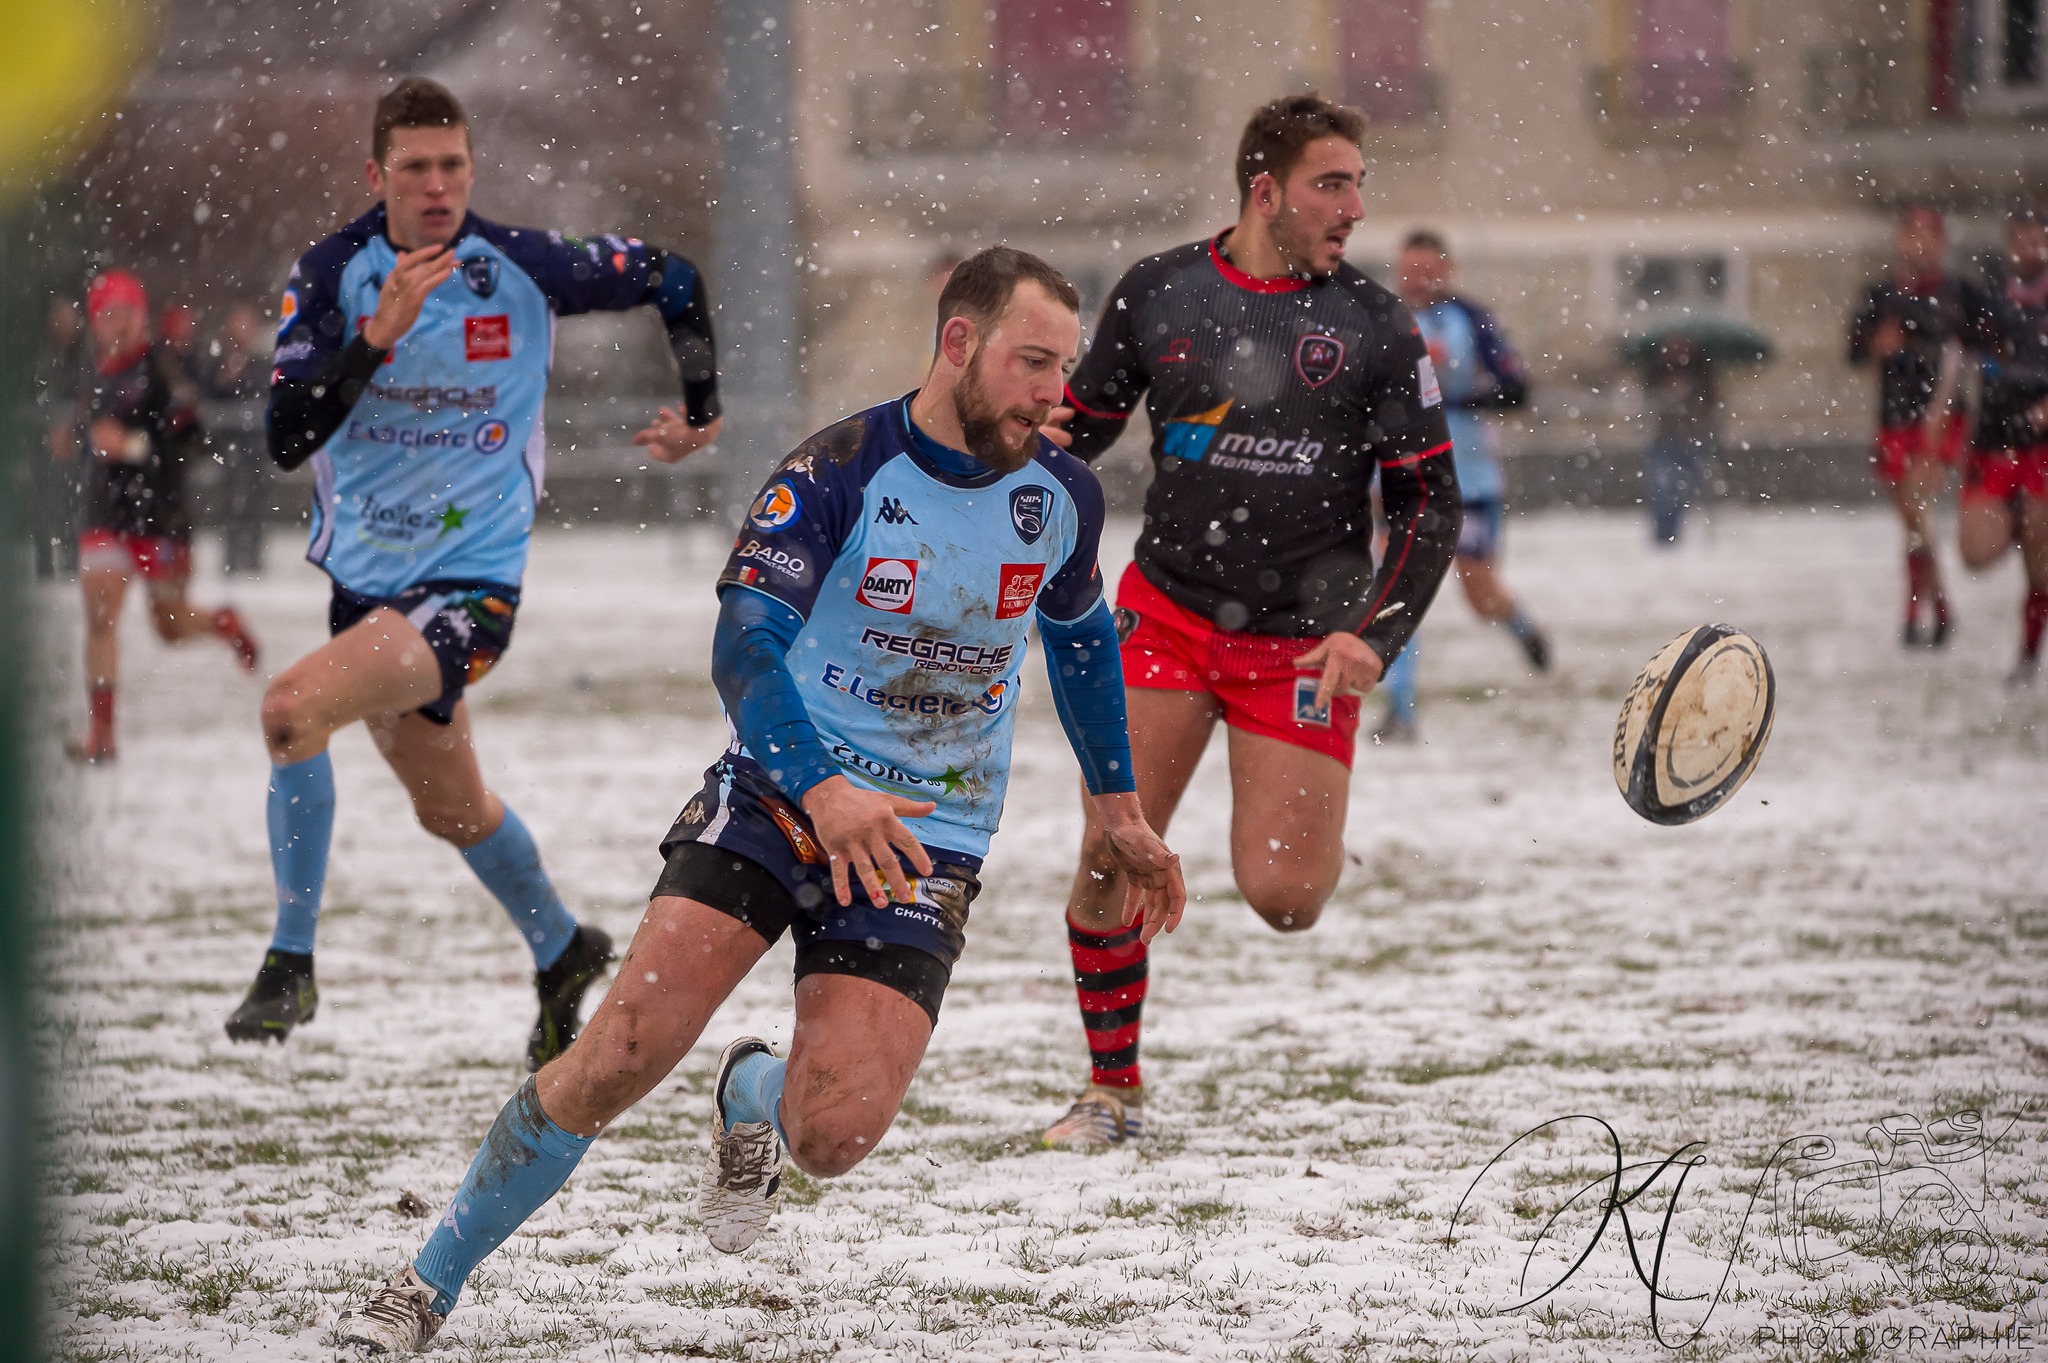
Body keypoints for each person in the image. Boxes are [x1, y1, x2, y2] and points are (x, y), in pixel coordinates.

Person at [326, 246, 1185, 1355]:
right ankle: (423, 1282)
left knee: (831, 1136)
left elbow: (1078, 646)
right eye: (1031, 362)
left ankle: (754, 1093)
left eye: (1062, 367)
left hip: (930, 837)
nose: (1052, 394)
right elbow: (743, 647)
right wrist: (824, 790)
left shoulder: (1057, 492)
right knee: (621, 1052)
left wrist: (1117, 811)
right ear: (957, 343)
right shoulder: (837, 470)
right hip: (779, 797)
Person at [227, 78, 723, 1070]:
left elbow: (673, 278)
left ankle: (290, 960)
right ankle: (562, 948)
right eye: (415, 167)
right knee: (450, 808)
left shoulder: (522, 266)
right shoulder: (331, 275)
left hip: (472, 590)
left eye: (452, 163)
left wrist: (700, 406)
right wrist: (370, 346)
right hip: (366, 592)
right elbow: (287, 436)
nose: (437, 183)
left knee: (290, 710)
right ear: (378, 176)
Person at [1036, 93, 1459, 1148]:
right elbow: (1070, 439)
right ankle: (1110, 1091)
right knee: (1108, 854)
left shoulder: (1372, 324)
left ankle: (1302, 811)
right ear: (1263, 192)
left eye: (1359, 181)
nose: (1355, 205)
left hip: (1299, 645)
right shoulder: (1160, 292)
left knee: (1283, 896)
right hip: (1164, 615)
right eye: (1332, 183)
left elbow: (1428, 501)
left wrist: (1373, 634)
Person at [65, 270, 260, 764]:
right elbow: (92, 427)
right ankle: (102, 733)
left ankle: (224, 622)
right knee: (100, 617)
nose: (118, 326)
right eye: (107, 316)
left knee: (169, 628)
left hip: (161, 518)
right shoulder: (94, 371)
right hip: (106, 513)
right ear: (94, 323)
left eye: (126, 314)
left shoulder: (163, 367)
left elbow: (193, 444)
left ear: (142, 317)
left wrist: (132, 446)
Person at [1376, 230, 1548, 741]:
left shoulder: (1472, 319)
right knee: (1397, 593)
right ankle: (1401, 712)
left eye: (1428, 269)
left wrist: (1459, 398)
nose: (1417, 278)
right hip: (1400, 478)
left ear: (1447, 270)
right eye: (1409, 269)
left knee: (1479, 597)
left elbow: (1516, 389)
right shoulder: (1379, 318)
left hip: (1468, 480)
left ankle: (1519, 623)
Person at [1848, 202, 1976, 645]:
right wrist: (1873, 343)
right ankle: (1940, 607)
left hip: (1940, 417)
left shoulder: (1960, 294)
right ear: (1900, 240)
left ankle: (1912, 614)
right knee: (1912, 521)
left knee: (1918, 508)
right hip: (1894, 419)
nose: (1919, 243)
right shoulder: (1880, 295)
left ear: (1941, 242)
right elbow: (1854, 349)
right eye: (1911, 233)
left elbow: (1974, 350)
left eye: (1928, 234)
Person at [1957, 208, 2048, 684]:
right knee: (1974, 553)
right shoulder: (1989, 299)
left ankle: (2028, 654)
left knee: (2040, 567)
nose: (2029, 249)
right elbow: (1961, 355)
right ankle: (2021, 523)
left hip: (2042, 450)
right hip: (1993, 444)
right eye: (2021, 240)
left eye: (2038, 240)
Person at [200, 302, 272, 573]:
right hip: (229, 444)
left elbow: (267, 393)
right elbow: (209, 394)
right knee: (231, 499)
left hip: (256, 444)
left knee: (257, 498)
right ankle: (231, 556)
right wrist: (226, 378)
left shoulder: (262, 364)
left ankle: (253, 557)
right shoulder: (217, 361)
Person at [1641, 334, 1719, 547]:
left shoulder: (1701, 374)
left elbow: (1710, 407)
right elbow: (1648, 404)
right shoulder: (1656, 372)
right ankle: (1663, 535)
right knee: (1663, 489)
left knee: (1679, 489)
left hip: (1691, 440)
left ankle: (1671, 534)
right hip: (1665, 439)